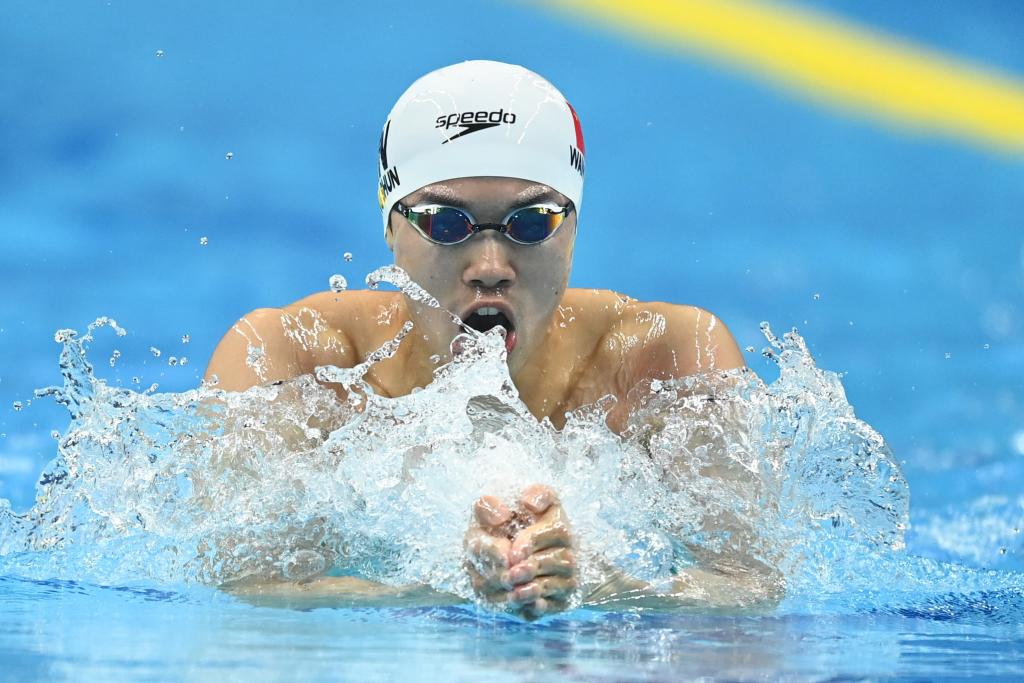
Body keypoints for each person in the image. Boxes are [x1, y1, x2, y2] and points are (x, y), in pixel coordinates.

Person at [206, 60, 776, 619]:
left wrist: (598, 583)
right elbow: (242, 590)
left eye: (531, 223)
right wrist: (450, 584)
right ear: (391, 228)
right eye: (445, 224)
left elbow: (750, 590)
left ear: (573, 231)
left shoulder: (664, 359)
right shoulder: (292, 358)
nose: (489, 267)